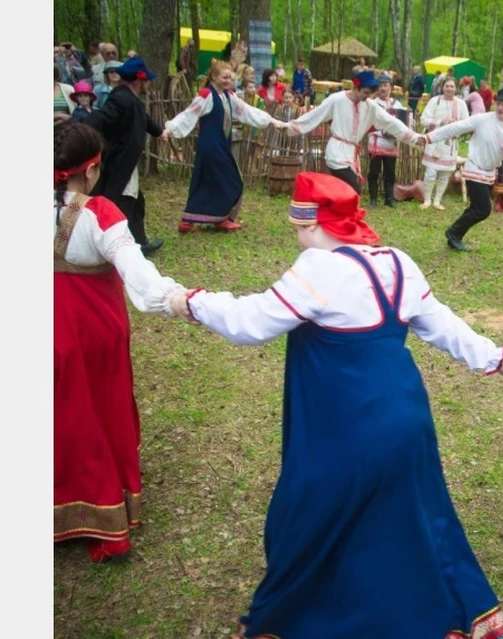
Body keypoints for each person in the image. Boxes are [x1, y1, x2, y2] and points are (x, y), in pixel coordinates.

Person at [171, 172, 503, 639]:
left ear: (314, 224)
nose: (297, 238)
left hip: (346, 423)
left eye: (298, 228)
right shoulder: (398, 261)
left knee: (309, 518)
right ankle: (417, 612)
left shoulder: (320, 268)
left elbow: (247, 323)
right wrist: (498, 358)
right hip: (406, 417)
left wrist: (187, 301)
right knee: (403, 519)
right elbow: (444, 326)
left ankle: (311, 618)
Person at [53, 122, 188, 563]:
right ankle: (104, 514)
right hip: (95, 335)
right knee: (98, 412)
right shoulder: (99, 213)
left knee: (60, 416)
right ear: (91, 169)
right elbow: (136, 268)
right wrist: (173, 298)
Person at [420, 86, 503, 252]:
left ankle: (455, 235)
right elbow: (455, 128)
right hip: (475, 167)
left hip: (490, 171)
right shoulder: (482, 119)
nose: (500, 108)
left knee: (476, 207)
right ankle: (453, 232)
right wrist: (428, 138)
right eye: (499, 103)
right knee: (483, 209)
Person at [165, 60, 282, 233]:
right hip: (211, 145)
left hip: (221, 144)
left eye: (231, 78)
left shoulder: (228, 96)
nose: (228, 81)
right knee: (232, 180)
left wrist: (272, 121)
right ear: (214, 77)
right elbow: (189, 114)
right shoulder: (206, 94)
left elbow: (247, 111)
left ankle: (190, 220)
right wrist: (170, 129)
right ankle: (220, 218)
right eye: (225, 77)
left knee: (206, 180)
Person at [283, 69, 421, 194]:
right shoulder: (336, 100)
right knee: (353, 191)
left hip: (350, 154)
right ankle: (336, 216)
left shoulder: (369, 105)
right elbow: (314, 116)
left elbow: (391, 122)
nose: (368, 96)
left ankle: (332, 216)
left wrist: (414, 137)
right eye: (366, 92)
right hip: (336, 153)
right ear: (356, 87)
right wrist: (289, 127)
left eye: (370, 93)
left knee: (343, 192)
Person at [87, 57, 170, 255]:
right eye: (146, 80)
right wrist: (83, 129)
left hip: (127, 163)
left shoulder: (131, 99)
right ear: (138, 80)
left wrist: (159, 132)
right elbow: (104, 117)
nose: (148, 83)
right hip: (119, 163)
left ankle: (139, 242)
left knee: (135, 202)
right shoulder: (121, 98)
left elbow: (145, 119)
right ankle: (118, 245)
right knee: (120, 204)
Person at [419, 77, 470, 211]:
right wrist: (441, 122)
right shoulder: (434, 101)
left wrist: (455, 126)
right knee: (430, 173)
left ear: (456, 88)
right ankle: (427, 200)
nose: (449, 89)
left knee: (444, 174)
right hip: (435, 143)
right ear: (442, 87)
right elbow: (424, 119)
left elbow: (467, 123)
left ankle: (437, 201)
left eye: (452, 86)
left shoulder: (461, 104)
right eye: (447, 86)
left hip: (450, 144)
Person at [366, 72, 409, 208]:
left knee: (389, 172)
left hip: (391, 144)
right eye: (380, 86)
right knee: (374, 171)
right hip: (377, 142)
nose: (383, 88)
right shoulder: (371, 104)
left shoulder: (398, 105)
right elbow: (367, 123)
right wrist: (382, 131)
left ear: (391, 87)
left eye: (385, 85)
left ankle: (389, 198)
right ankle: (373, 198)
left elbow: (405, 123)